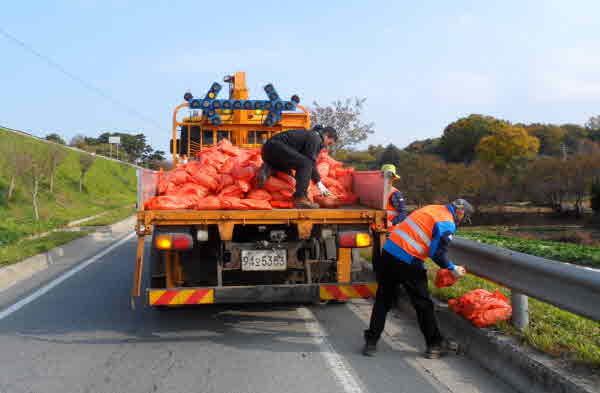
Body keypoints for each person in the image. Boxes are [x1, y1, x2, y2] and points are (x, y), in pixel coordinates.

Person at [363, 199, 474, 359]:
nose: (461, 220)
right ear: (460, 212)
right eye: (463, 217)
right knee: (423, 305)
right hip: (408, 261)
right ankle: (434, 345)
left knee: (383, 300)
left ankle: (371, 343)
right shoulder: (447, 223)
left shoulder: (432, 208)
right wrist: (452, 268)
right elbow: (436, 253)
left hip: (388, 253)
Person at [257, 125, 338, 209]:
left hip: (267, 151)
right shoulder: (315, 138)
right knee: (306, 164)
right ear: (326, 135)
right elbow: (310, 162)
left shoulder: (310, 135)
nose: (327, 146)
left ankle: (268, 168)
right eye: (329, 143)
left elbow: (300, 160)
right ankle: (300, 198)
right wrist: (318, 182)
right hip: (276, 148)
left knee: (290, 171)